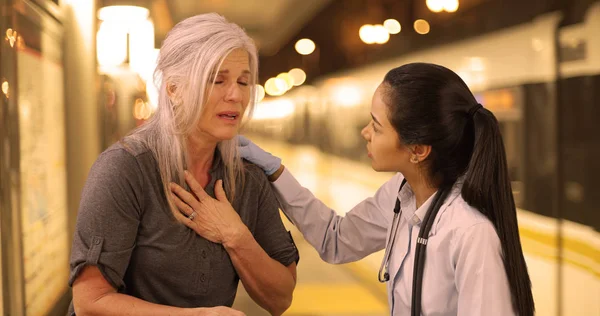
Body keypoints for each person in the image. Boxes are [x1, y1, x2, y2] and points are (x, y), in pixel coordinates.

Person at [238, 63, 535, 316]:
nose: (365, 133)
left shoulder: (470, 232)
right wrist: (275, 171)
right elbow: (336, 240)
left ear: (417, 149)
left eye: (377, 126)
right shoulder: (401, 193)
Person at [67, 13, 299, 316]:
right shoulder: (125, 169)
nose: (236, 95)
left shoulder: (247, 177)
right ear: (174, 89)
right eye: (217, 80)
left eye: (243, 81)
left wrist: (235, 235)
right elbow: (90, 303)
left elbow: (281, 298)